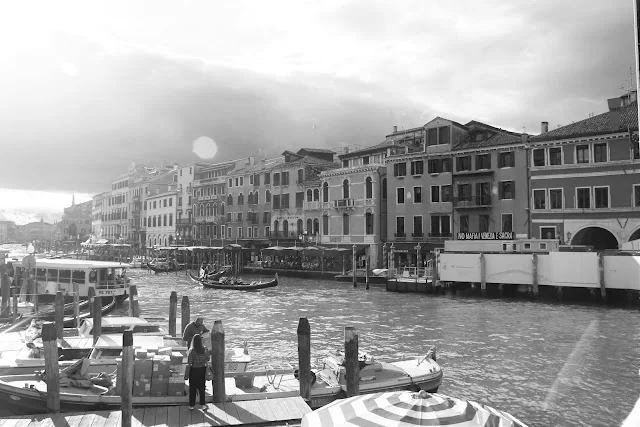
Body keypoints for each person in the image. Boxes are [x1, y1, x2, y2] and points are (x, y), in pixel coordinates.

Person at [184, 333, 209, 410]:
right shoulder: (204, 349)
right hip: (202, 370)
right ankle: (203, 405)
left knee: (192, 388)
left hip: (194, 371)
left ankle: (191, 405)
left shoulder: (192, 351)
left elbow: (189, 362)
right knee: (202, 388)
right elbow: (208, 359)